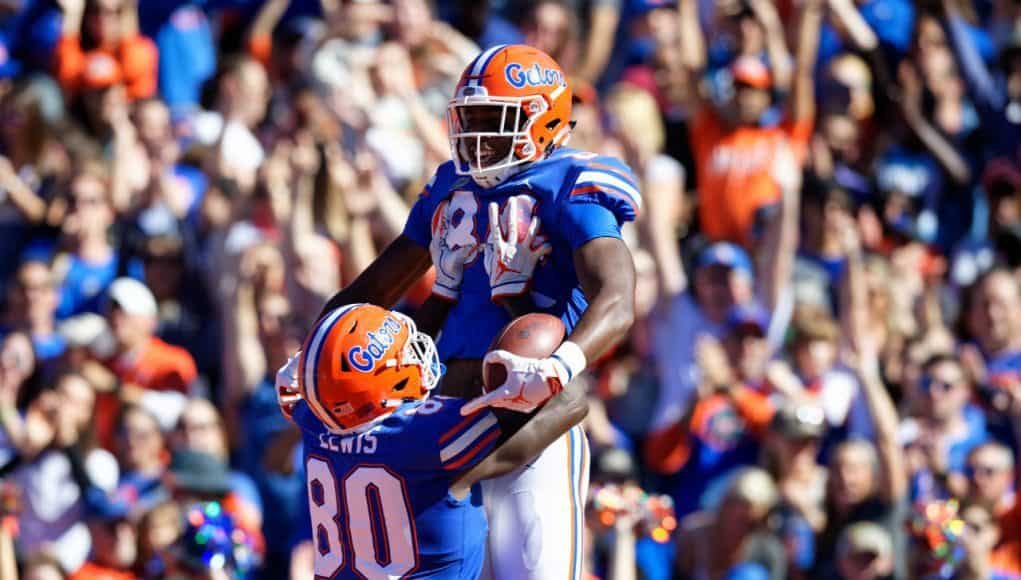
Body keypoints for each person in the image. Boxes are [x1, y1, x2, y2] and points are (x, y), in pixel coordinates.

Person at [307, 44, 638, 579]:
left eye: (495, 120)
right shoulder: (448, 186)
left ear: (544, 119)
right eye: (470, 119)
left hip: (531, 422)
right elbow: (371, 291)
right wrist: (316, 352)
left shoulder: (570, 185)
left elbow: (619, 298)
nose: (477, 137)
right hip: (441, 418)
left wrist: (560, 364)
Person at [278, 303, 589, 578]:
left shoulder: (314, 420)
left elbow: (324, 389)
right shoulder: (425, 431)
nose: (416, 352)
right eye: (405, 353)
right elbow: (570, 406)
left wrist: (442, 292)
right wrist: (553, 371)